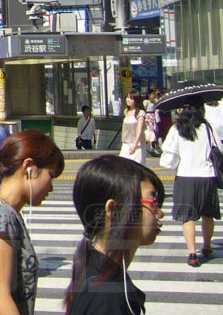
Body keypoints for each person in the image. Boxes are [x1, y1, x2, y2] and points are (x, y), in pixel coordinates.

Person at [0, 130, 65, 315]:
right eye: (50, 176)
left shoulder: (2, 210)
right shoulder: (1, 214)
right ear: (29, 167)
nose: (51, 187)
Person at [64, 156, 164, 315]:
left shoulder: (99, 273)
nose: (160, 213)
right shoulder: (105, 297)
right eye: (153, 201)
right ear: (113, 210)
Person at [159, 101, 220, 267]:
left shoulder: (177, 129)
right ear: (200, 110)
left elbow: (169, 160)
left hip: (186, 177)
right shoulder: (207, 128)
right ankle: (207, 246)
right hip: (207, 176)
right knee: (208, 214)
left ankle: (192, 253)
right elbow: (218, 148)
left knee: (188, 217)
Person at [119, 91, 146, 165]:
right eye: (127, 97)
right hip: (126, 143)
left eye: (131, 98)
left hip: (137, 145)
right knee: (123, 166)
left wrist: (135, 144)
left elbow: (139, 129)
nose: (128, 100)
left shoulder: (140, 113)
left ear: (136, 100)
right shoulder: (126, 112)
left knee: (136, 166)